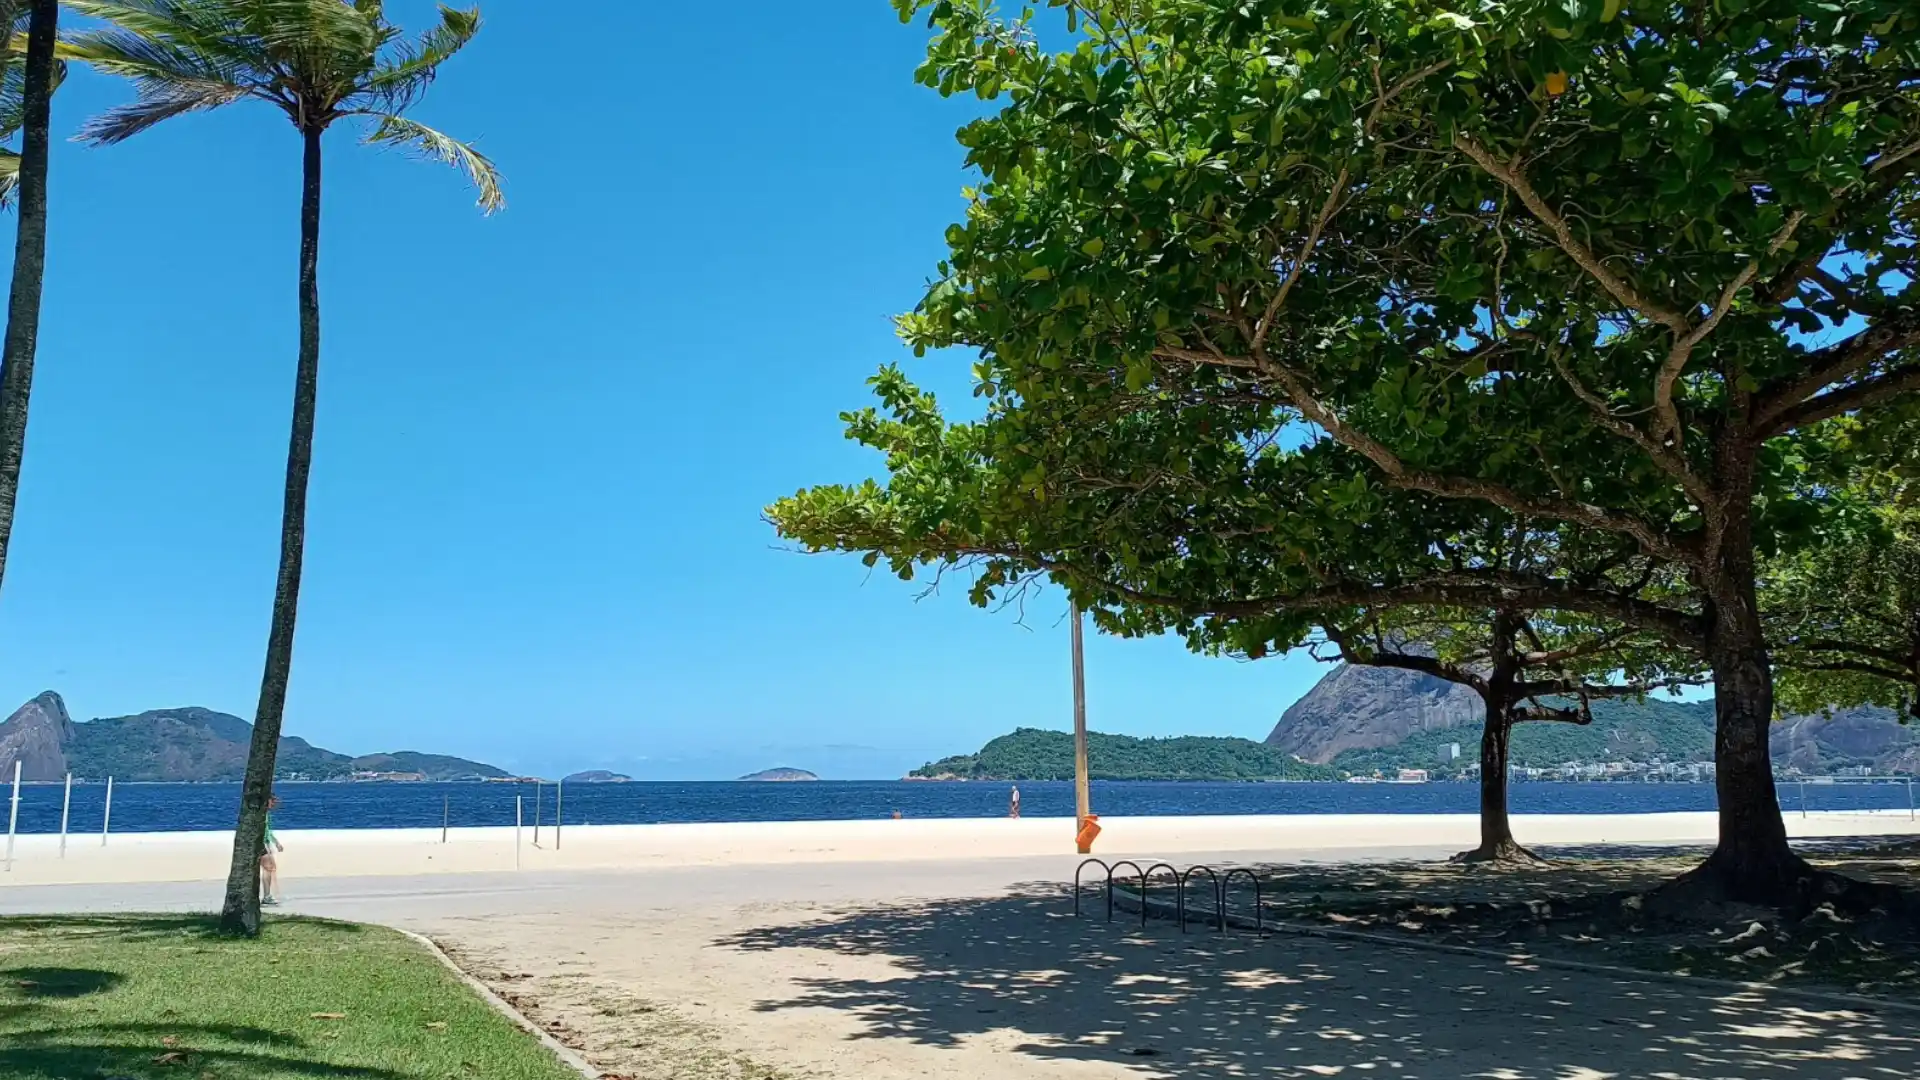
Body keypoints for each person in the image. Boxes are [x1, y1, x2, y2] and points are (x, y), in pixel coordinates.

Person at [260, 794, 287, 906]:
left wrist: (276, 843)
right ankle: (266, 896)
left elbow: (268, 831)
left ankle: (267, 895)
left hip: (264, 843)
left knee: (269, 868)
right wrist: (265, 845)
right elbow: (262, 831)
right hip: (261, 844)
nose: (274, 804)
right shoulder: (262, 815)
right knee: (268, 868)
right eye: (273, 801)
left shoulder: (266, 814)